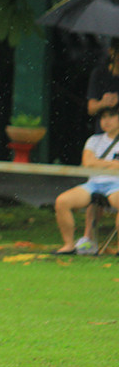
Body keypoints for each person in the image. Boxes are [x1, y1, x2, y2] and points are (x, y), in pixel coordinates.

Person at [54, 105, 119, 255]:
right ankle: (69, 245)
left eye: (111, 116)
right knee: (62, 201)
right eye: (103, 117)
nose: (106, 121)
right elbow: (87, 162)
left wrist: (99, 163)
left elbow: (93, 161)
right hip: (94, 183)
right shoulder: (94, 140)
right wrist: (113, 164)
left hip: (116, 184)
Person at [78, 40, 119, 253]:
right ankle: (88, 237)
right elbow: (91, 107)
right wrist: (104, 103)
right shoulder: (100, 74)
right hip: (103, 137)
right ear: (111, 51)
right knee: (96, 183)